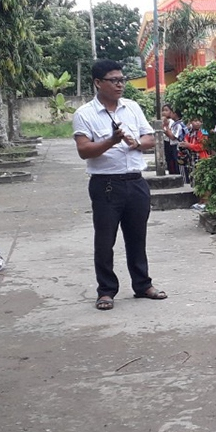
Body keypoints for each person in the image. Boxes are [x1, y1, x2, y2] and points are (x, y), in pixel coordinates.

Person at [72, 59, 167, 310]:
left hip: (135, 183)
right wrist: (111, 141)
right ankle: (106, 291)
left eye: (122, 79)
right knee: (105, 241)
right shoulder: (84, 114)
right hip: (106, 185)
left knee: (137, 237)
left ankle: (143, 285)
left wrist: (136, 143)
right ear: (97, 83)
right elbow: (84, 150)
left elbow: (149, 137)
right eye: (114, 80)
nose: (120, 84)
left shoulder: (133, 108)